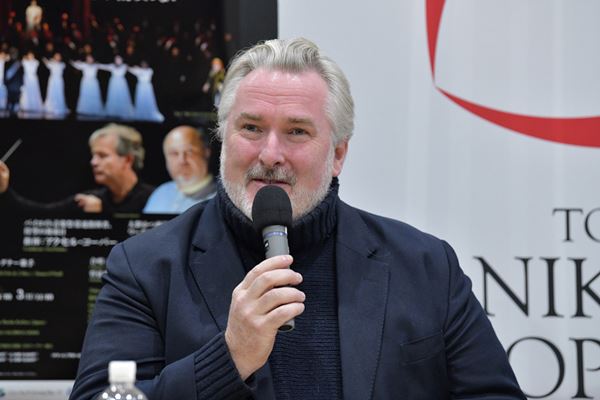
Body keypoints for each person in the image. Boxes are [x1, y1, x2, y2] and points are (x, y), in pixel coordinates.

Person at [70, 38, 525, 400]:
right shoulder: (144, 267)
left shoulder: (425, 265)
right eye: (251, 128)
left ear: (338, 154)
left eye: (296, 131)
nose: (270, 154)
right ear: (223, 139)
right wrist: (228, 358)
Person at [0, 123, 154, 214]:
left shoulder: (155, 199)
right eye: (93, 156)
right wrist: (4, 190)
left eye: (102, 155)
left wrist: (103, 214)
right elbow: (39, 213)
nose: (93, 162)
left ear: (127, 159)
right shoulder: (87, 200)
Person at [143, 125, 216, 214]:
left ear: (206, 153)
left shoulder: (220, 199)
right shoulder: (160, 193)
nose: (182, 161)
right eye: (174, 153)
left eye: (189, 151)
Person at [43, 52, 68, 117]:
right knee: (52, 92)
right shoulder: (51, 63)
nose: (57, 57)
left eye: (59, 56)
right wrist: (47, 60)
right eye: (56, 56)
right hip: (52, 80)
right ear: (54, 57)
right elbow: (46, 62)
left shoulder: (62, 64)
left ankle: (59, 106)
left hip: (59, 80)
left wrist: (52, 61)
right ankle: (50, 107)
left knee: (59, 93)